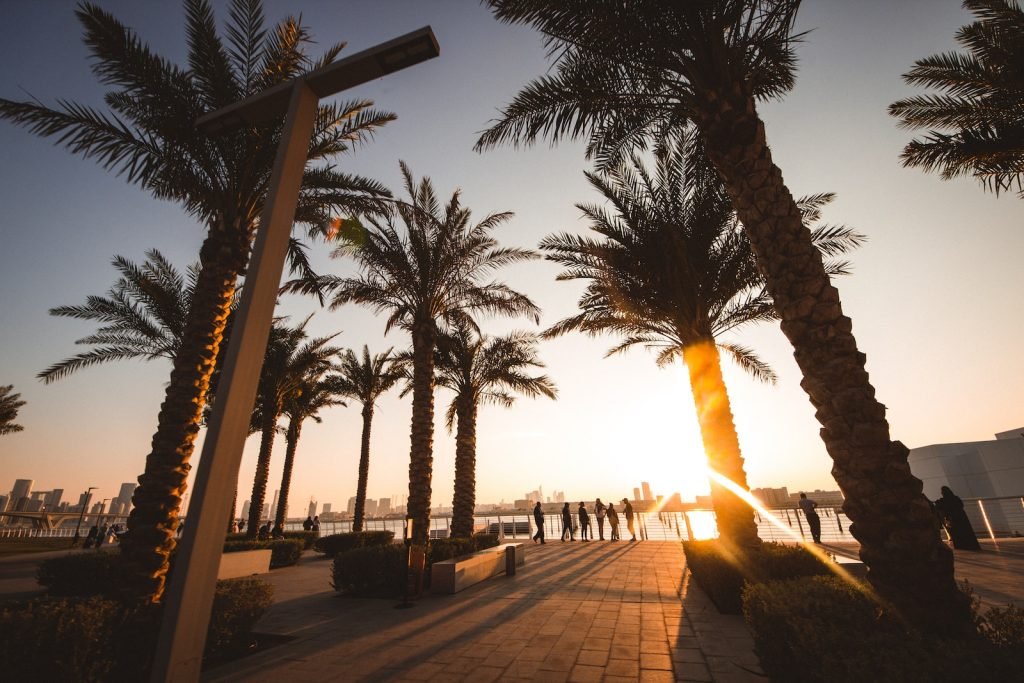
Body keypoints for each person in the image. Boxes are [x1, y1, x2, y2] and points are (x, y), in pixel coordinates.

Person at [934, 486, 981, 551]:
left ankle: (960, 545)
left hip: (952, 519)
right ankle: (971, 545)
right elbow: (961, 505)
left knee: (956, 533)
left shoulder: (943, 501)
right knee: (965, 531)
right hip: (961, 518)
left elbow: (940, 508)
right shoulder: (956, 499)